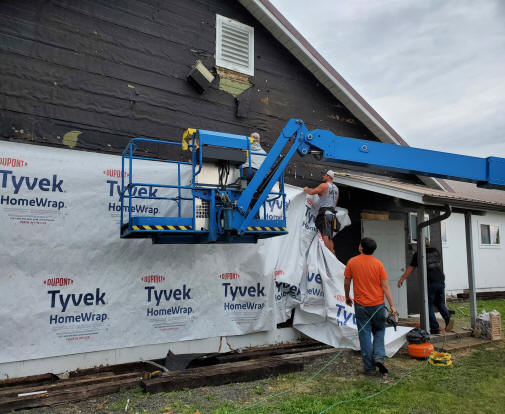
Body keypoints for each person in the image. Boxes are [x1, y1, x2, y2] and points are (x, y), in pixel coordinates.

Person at [344, 237, 397, 376]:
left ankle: (369, 368)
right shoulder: (378, 264)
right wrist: (392, 306)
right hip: (378, 306)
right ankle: (379, 357)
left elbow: (347, 282)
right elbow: (385, 286)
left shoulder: (352, 262)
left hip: (361, 306)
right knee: (379, 331)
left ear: (361, 247)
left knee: (365, 335)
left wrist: (347, 297)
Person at [398, 239, 453, 334]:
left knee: (428, 305)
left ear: (420, 245)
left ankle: (434, 328)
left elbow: (410, 269)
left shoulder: (418, 254)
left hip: (430, 282)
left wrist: (402, 279)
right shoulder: (436, 251)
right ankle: (449, 321)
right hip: (440, 280)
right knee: (440, 303)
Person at [303, 170, 339, 254]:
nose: (322, 176)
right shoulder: (336, 189)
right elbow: (335, 202)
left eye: (324, 175)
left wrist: (306, 189)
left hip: (325, 213)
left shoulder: (324, 185)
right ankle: (332, 254)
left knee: (325, 235)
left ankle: (328, 254)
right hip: (332, 214)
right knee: (329, 237)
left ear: (329, 176)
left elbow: (311, 192)